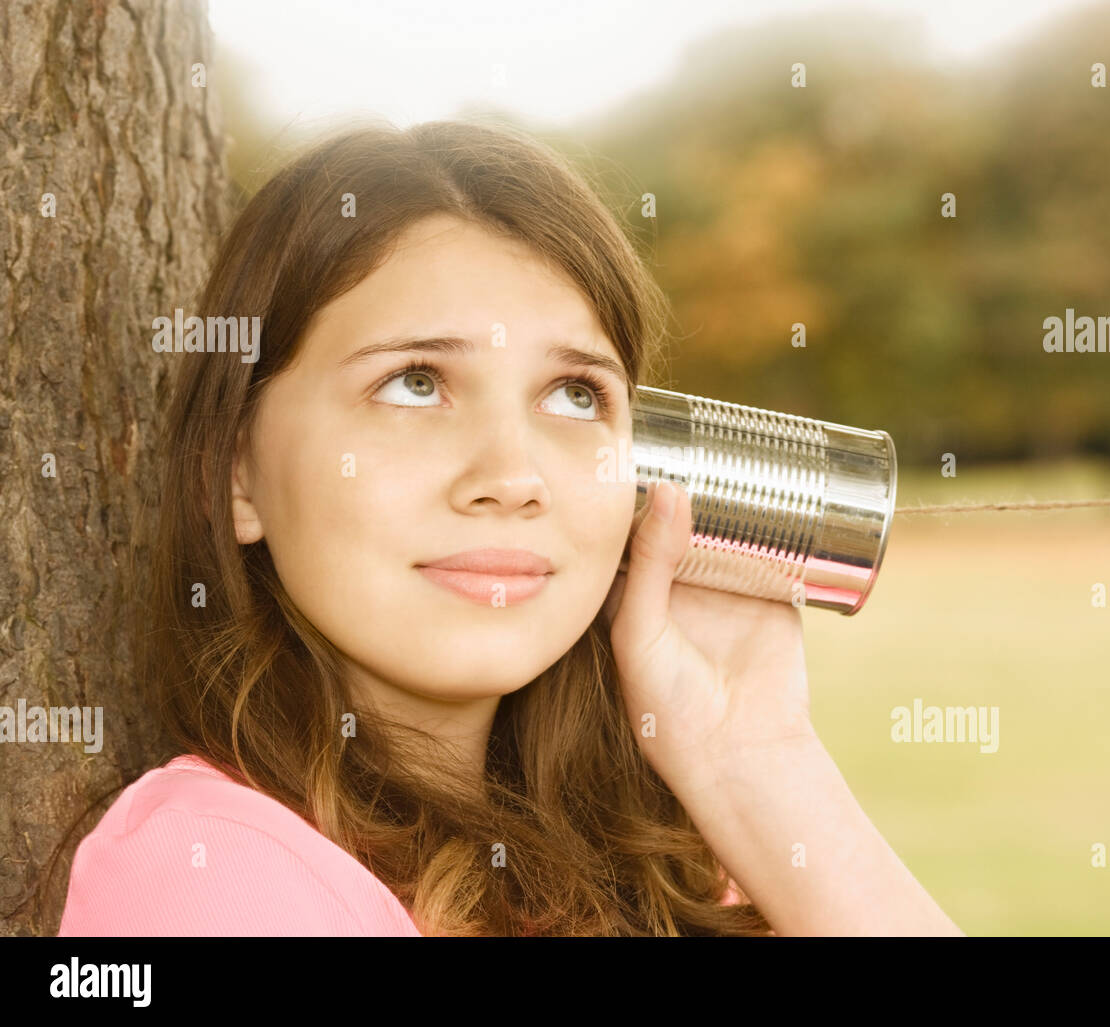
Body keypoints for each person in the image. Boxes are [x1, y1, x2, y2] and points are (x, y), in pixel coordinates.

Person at [54, 119, 961, 937]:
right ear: (235, 472)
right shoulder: (211, 876)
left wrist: (756, 759)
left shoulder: (665, 865)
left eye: (574, 395)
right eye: (414, 382)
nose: (513, 479)